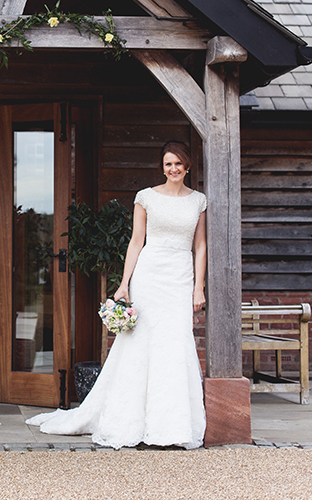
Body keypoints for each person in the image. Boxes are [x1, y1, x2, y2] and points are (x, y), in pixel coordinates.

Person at [26, 140, 207, 449]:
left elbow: (200, 246)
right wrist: (124, 284)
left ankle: (171, 426)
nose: (173, 168)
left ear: (187, 166)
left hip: (180, 277)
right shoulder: (146, 198)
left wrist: (198, 286)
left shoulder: (198, 201)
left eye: (178, 163)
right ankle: (131, 421)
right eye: (167, 164)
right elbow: (136, 242)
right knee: (140, 345)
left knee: (175, 343)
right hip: (150, 276)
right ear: (161, 167)